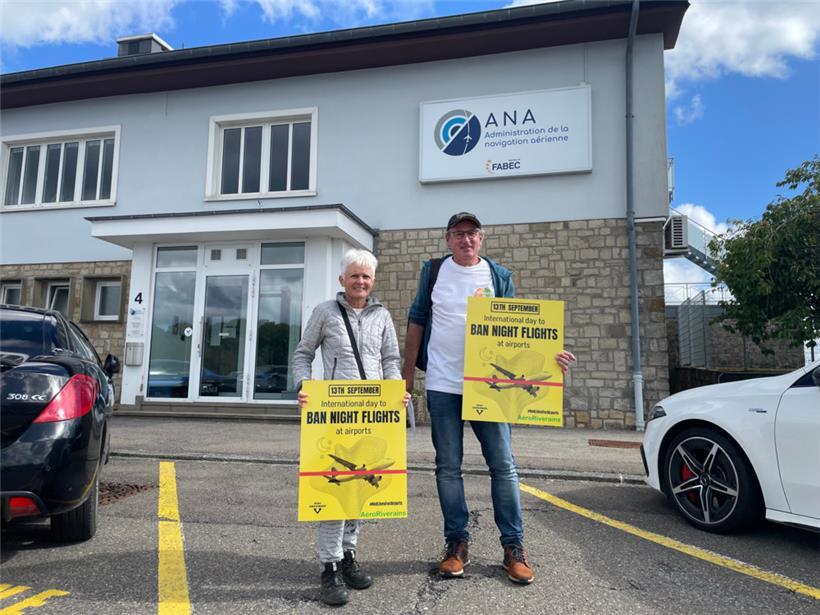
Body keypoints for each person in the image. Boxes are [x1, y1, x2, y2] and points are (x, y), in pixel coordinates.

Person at [402, 212, 576, 585]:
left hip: (488, 386)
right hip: (443, 383)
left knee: (503, 465)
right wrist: (406, 378)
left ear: (482, 239)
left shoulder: (499, 276)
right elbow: (417, 319)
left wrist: (550, 359)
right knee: (448, 467)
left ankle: (513, 548)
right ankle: (456, 545)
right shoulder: (433, 272)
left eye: (472, 233)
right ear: (448, 239)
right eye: (458, 234)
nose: (466, 239)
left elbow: (519, 332)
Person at [292, 248, 410, 606]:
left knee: (361, 487)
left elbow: (390, 359)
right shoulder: (325, 313)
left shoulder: (382, 316)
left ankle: (348, 555)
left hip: (372, 418)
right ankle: (328, 567)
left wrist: (394, 394)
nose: (361, 281)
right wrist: (303, 386)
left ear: (372, 281)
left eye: (366, 276)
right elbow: (303, 354)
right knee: (335, 491)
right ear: (342, 280)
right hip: (334, 418)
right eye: (354, 275)